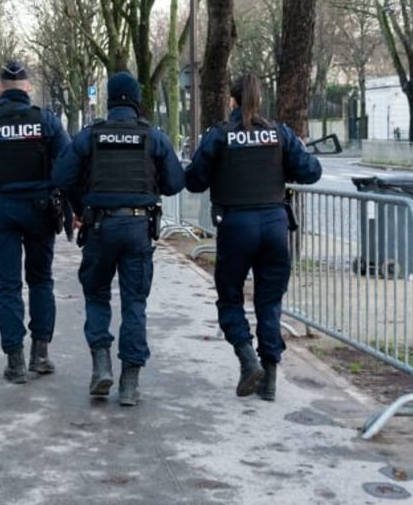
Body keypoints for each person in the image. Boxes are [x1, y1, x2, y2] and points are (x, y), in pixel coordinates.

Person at [184, 72, 322, 401]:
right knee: (269, 303)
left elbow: (193, 181)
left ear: (232, 101)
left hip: (235, 226)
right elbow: (311, 171)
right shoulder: (280, 134)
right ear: (260, 100)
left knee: (230, 296)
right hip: (275, 226)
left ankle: (248, 362)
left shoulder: (219, 135)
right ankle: (270, 378)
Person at [52, 70, 185, 406]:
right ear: (137, 101)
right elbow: (174, 183)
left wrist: (82, 205)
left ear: (110, 101)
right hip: (138, 228)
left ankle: (101, 368)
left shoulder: (90, 135)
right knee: (134, 303)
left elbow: (61, 176)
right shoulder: (152, 136)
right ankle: (129, 383)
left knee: (97, 295)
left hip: (99, 227)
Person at [0, 60, 70, 383]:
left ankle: (15, 361)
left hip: (0, 211)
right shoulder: (46, 122)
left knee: (7, 287)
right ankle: (41, 354)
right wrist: (74, 210)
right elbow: (67, 166)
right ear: (28, 87)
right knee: (41, 281)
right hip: (39, 210)